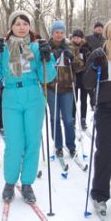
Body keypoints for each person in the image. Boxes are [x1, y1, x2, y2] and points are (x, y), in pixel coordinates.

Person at [0, 10, 56, 202]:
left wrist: (48, 59)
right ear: (11, 27)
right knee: (14, 144)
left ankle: (27, 183)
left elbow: (47, 76)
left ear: (29, 26)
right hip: (11, 97)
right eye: (17, 23)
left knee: (32, 142)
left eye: (25, 23)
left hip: (34, 96)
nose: (22, 27)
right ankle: (10, 182)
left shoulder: (37, 47)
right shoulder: (4, 48)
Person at [83, 20, 111, 219]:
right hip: (106, 108)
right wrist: (92, 65)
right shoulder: (101, 56)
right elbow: (87, 83)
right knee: (105, 152)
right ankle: (100, 195)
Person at [47, 20, 84, 158]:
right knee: (54, 118)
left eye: (61, 32)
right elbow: (41, 66)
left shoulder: (71, 47)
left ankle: (71, 145)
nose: (59, 35)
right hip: (52, 87)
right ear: (52, 33)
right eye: (56, 32)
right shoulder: (47, 47)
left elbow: (81, 66)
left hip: (68, 89)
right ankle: (58, 146)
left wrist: (72, 58)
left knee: (68, 119)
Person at [69, 29, 91, 129]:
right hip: (74, 76)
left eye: (78, 38)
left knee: (83, 99)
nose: (76, 39)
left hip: (84, 76)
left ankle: (83, 118)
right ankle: (73, 118)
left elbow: (90, 61)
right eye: (74, 37)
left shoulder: (86, 47)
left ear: (82, 38)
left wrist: (87, 55)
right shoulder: (70, 47)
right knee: (74, 99)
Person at [85, 22, 105, 109]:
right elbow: (83, 47)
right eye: (97, 27)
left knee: (100, 86)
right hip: (91, 64)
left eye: (101, 27)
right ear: (94, 29)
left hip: (103, 65)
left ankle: (96, 103)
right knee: (90, 86)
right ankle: (92, 102)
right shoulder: (88, 38)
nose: (99, 29)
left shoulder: (105, 39)